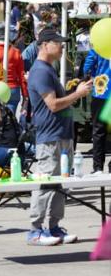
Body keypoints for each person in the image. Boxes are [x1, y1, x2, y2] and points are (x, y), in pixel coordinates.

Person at [27, 28, 92, 245]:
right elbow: (53, 105)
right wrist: (78, 94)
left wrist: (71, 91)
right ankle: (35, 231)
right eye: (59, 43)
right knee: (47, 182)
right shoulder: (40, 71)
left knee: (60, 183)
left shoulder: (48, 69)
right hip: (50, 137)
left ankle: (54, 227)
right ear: (45, 45)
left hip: (61, 135)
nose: (63, 46)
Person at [0, 22, 28, 114]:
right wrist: (25, 96)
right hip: (13, 89)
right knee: (10, 121)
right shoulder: (16, 52)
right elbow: (22, 76)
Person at [83, 48, 111, 173]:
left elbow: (87, 67)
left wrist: (96, 75)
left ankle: (98, 167)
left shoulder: (99, 45)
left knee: (99, 132)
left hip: (102, 91)